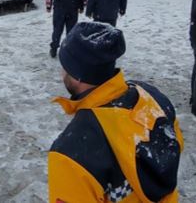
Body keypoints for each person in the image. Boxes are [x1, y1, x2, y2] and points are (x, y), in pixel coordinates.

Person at [48, 22, 183, 202]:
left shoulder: (71, 152)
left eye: (64, 66)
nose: (61, 73)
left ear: (77, 75)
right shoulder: (153, 97)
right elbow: (174, 147)